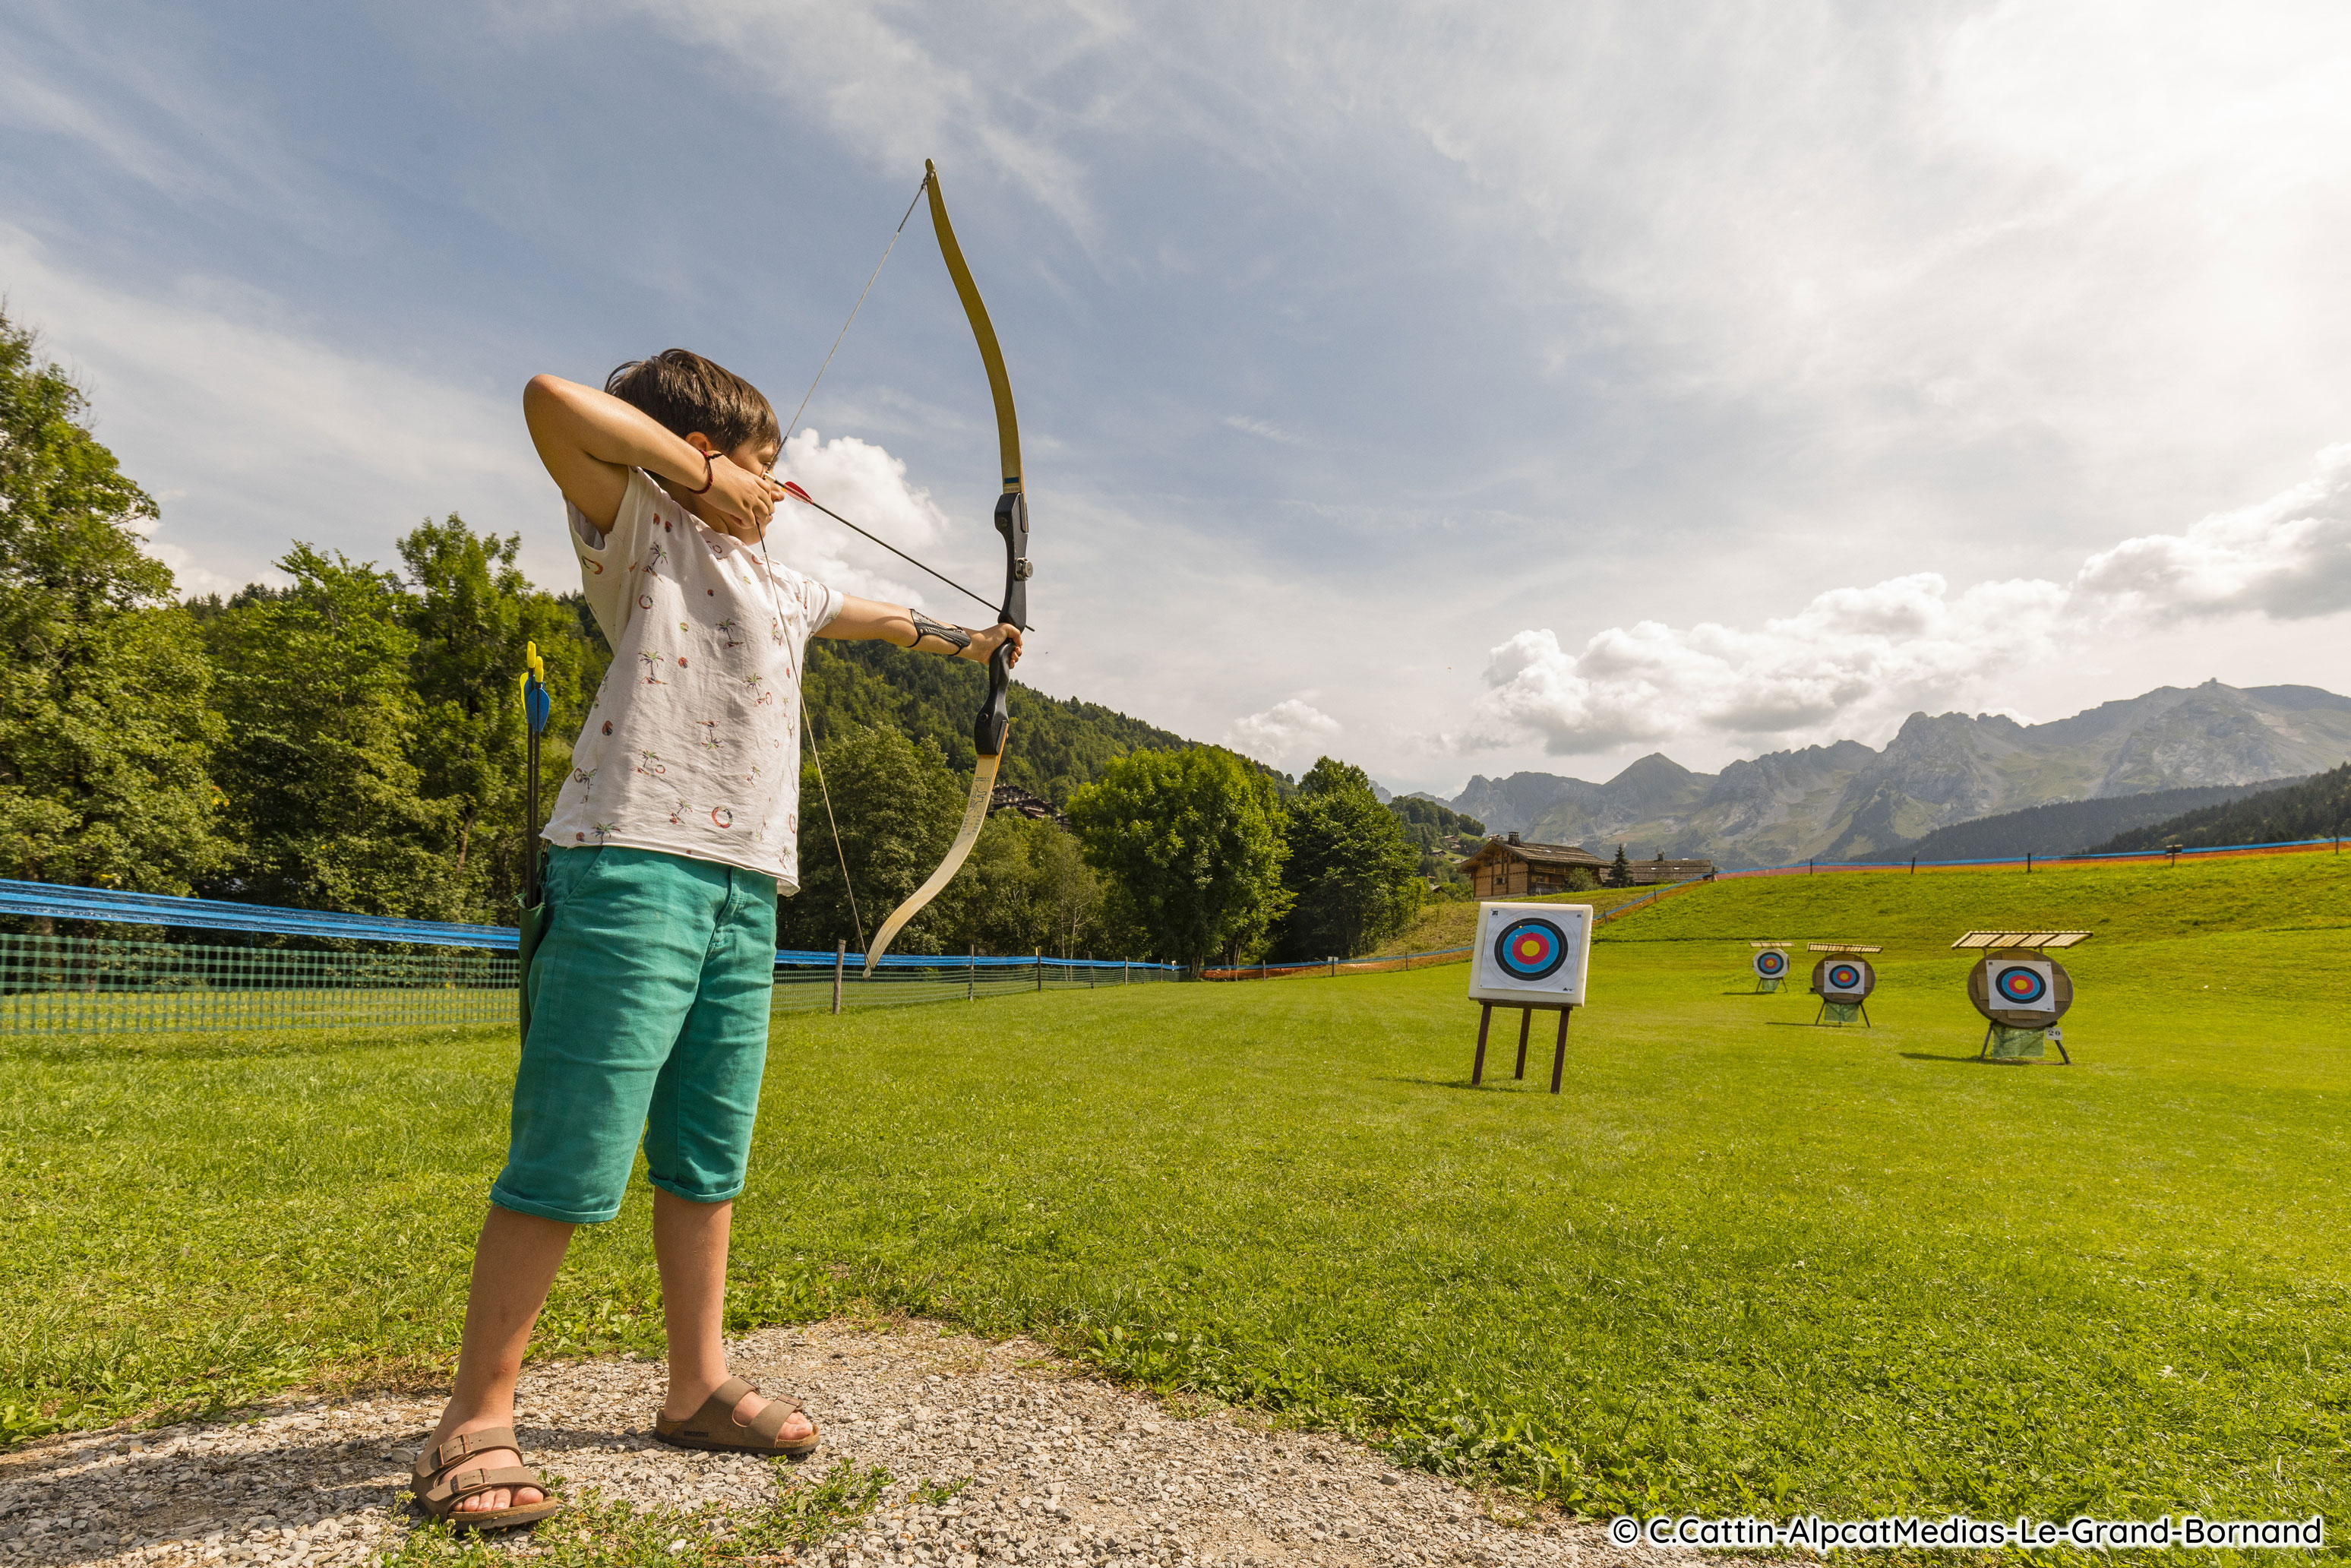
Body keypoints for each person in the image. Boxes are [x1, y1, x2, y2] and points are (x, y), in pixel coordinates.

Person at [409, 349, 1022, 1530]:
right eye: (759, 465)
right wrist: (690, 470)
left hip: (749, 888)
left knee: (708, 1154)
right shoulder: (636, 529)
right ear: (686, 453)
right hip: (633, 861)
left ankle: (696, 1386)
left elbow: (887, 617)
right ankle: (476, 1417)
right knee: (572, 1148)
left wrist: (979, 640)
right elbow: (550, 403)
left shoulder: (778, 585)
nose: (773, 491)